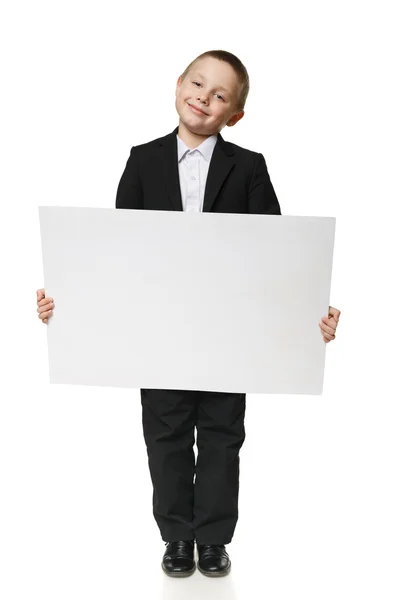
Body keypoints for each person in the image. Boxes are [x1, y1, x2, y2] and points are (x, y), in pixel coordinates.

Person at [36, 49, 341, 578]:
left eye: (220, 94)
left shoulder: (248, 167)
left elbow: (277, 251)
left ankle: (214, 539)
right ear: (178, 85)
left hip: (231, 334)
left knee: (224, 435)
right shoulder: (142, 159)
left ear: (235, 114)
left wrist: (309, 311)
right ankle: (177, 535)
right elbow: (117, 250)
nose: (205, 96)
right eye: (198, 84)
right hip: (160, 333)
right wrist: (70, 301)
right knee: (166, 435)